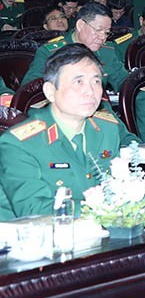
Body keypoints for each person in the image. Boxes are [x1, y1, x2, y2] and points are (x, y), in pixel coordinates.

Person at [0, 44, 137, 217]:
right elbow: (33, 209)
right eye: (78, 82)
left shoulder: (107, 128)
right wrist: (106, 208)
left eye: (96, 81)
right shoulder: (19, 143)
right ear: (50, 92)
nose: (90, 91)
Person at [22, 2, 130, 91]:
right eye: (98, 30)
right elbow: (30, 89)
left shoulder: (107, 51)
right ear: (80, 25)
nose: (103, 37)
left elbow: (125, 83)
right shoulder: (50, 52)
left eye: (107, 32)